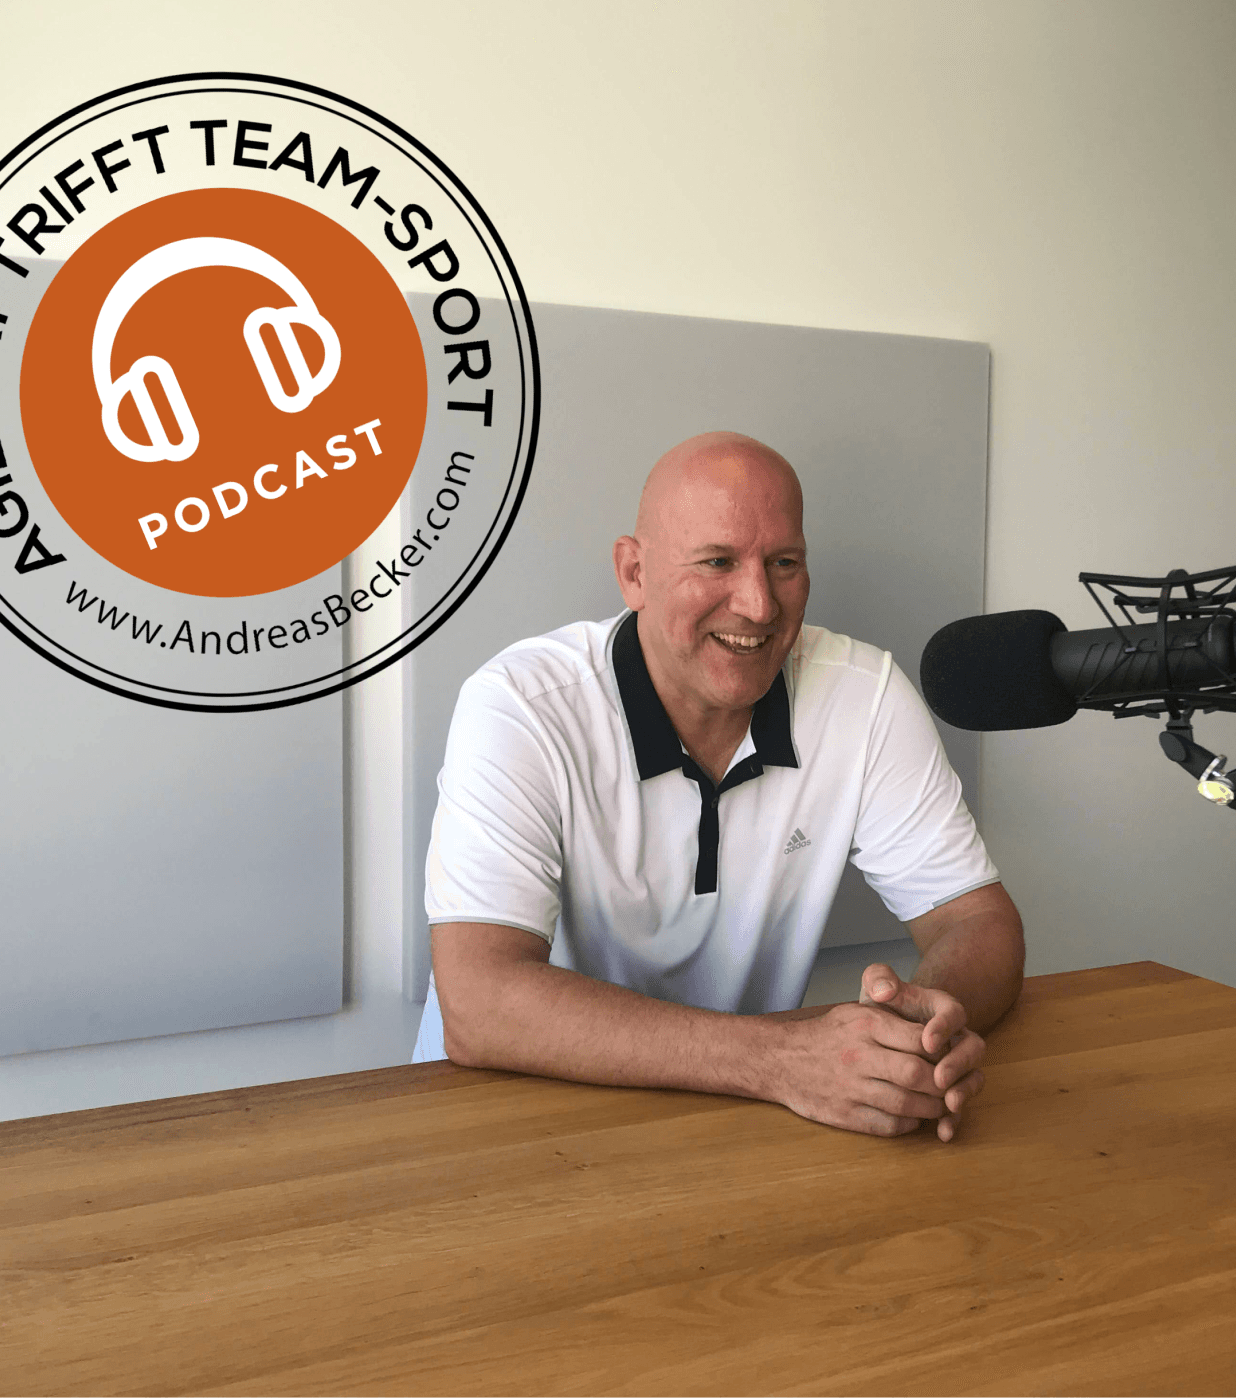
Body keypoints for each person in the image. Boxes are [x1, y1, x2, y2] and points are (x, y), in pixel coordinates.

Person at [414, 431, 1024, 1141]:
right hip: (516, 1123)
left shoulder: (867, 695)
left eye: (784, 563)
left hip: (743, 1116)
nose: (760, 605)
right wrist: (779, 1060)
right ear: (634, 573)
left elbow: (978, 924)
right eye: (717, 562)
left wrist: (919, 1029)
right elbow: (479, 1004)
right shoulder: (520, 706)